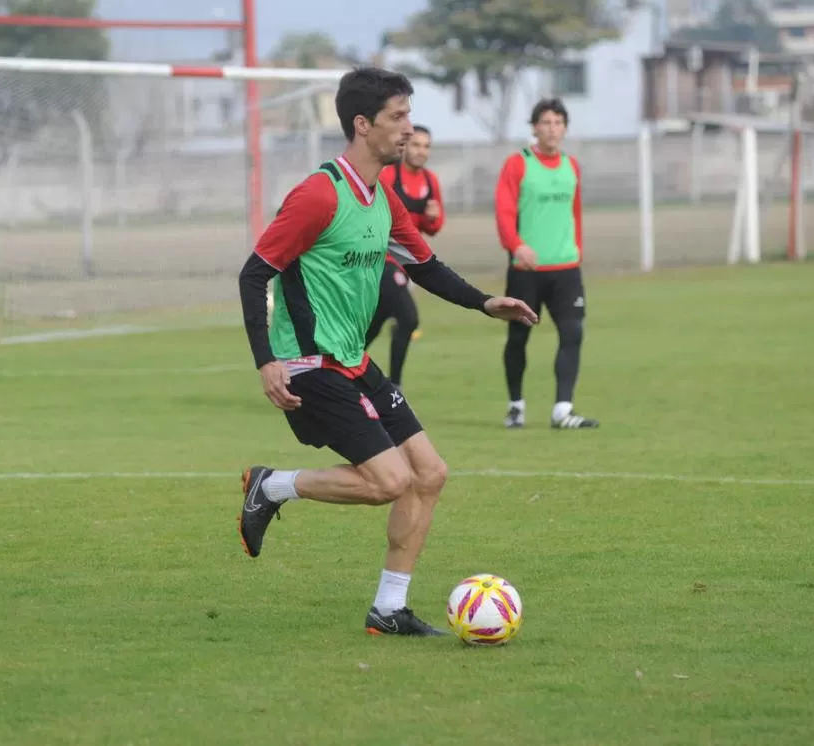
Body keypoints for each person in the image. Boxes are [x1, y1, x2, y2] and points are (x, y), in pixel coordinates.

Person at [237, 67, 538, 637]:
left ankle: (389, 609)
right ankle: (270, 486)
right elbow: (254, 274)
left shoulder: (382, 197)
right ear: (362, 124)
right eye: (398, 117)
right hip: (309, 363)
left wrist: (483, 302)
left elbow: (422, 264)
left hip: (353, 359)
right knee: (388, 481)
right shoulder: (317, 195)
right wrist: (265, 360)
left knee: (429, 473)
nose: (408, 129)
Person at [495, 98, 599, 431]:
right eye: (546, 122)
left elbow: (576, 212)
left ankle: (562, 410)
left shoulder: (572, 166)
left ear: (565, 128)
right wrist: (516, 246)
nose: (552, 129)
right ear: (535, 127)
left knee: (573, 333)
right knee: (518, 339)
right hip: (527, 271)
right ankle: (516, 405)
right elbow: (504, 212)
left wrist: (577, 251)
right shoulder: (517, 164)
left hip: (566, 269)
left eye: (558, 122)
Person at [364, 125, 445, 388]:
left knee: (374, 324)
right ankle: (394, 386)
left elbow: (433, 228)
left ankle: (332, 365)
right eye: (416, 144)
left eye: (426, 146)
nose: (421, 151)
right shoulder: (387, 175)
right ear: (405, 146)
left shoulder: (430, 182)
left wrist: (432, 217)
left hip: (408, 265)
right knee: (408, 318)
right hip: (382, 261)